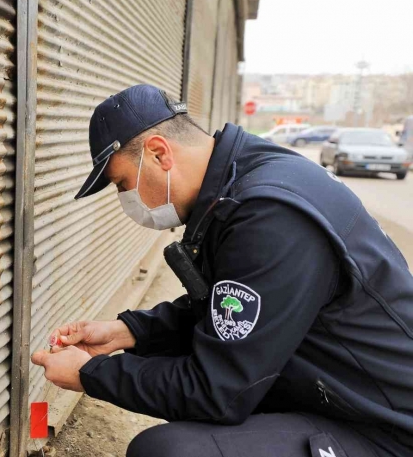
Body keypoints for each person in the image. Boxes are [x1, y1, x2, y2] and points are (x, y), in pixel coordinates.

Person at [30, 84, 413, 457]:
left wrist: (91, 373)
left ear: (160, 153)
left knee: (168, 451)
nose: (125, 200)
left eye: (123, 183)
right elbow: (230, 307)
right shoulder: (244, 181)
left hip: (387, 430)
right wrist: (129, 332)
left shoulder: (271, 218)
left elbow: (218, 393)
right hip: (338, 392)